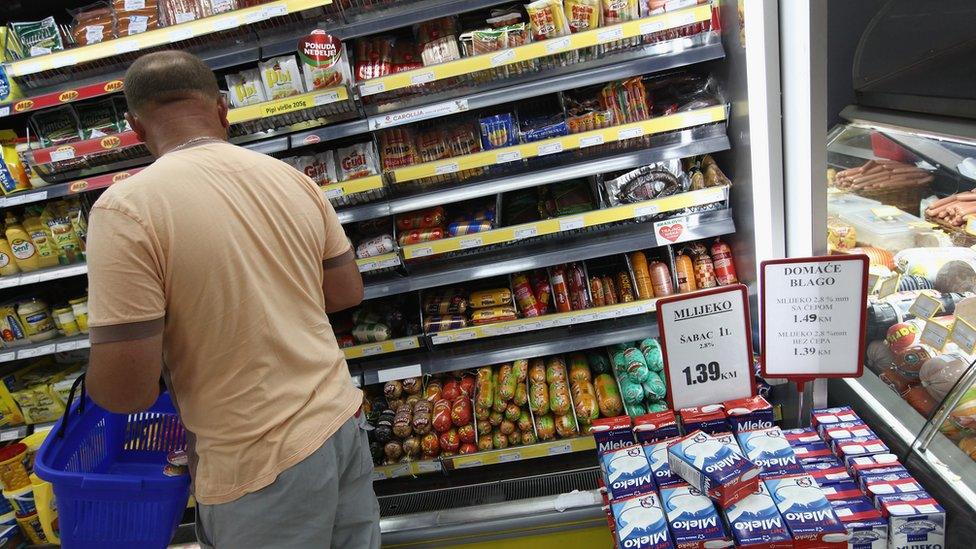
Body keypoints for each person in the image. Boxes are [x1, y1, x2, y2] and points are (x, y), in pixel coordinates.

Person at [84, 50, 379, 548]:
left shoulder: (126, 209)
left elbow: (124, 392)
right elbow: (345, 292)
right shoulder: (292, 179)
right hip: (339, 422)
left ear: (135, 126)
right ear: (223, 109)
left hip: (256, 462)